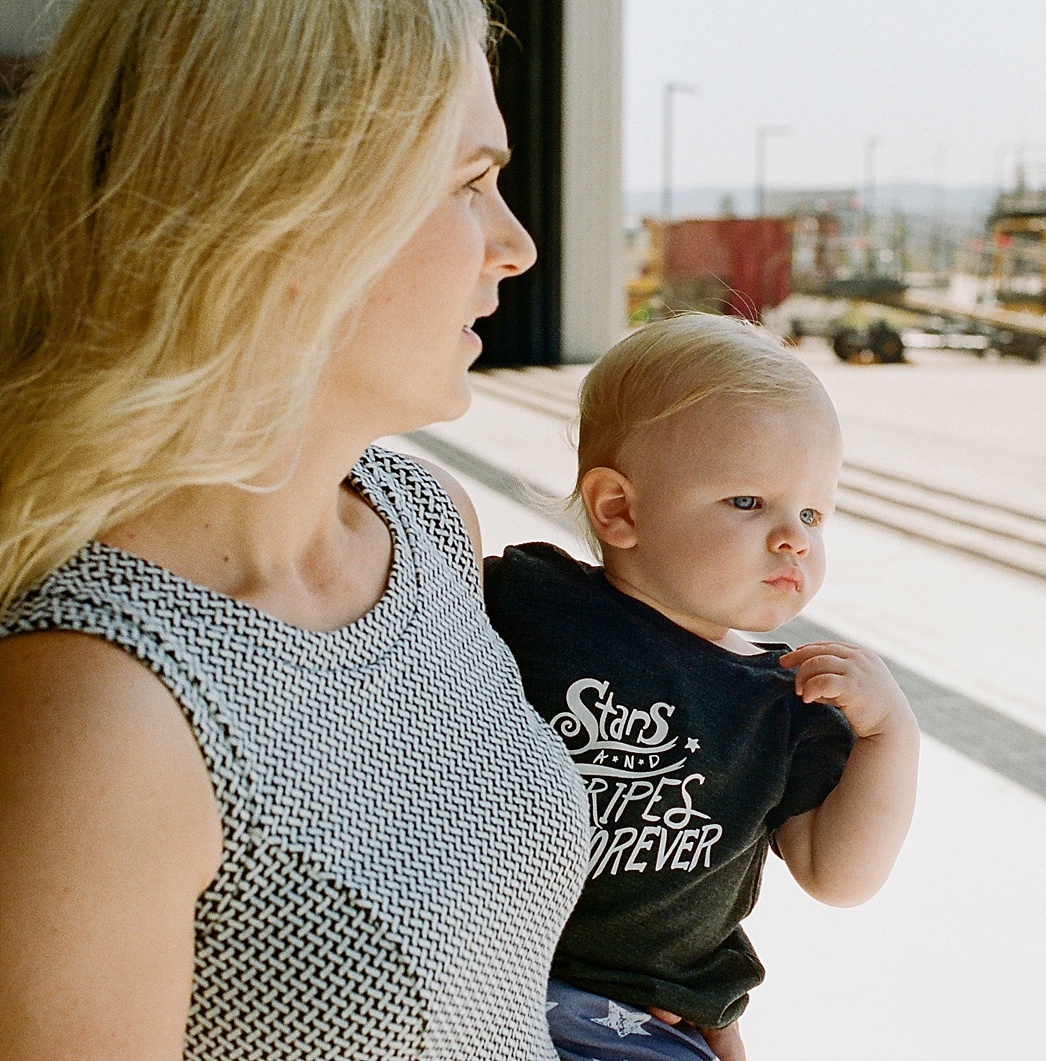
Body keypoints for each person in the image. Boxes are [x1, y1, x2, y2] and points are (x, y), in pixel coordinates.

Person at [0, 2, 593, 1058]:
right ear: (288, 218)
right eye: (469, 183)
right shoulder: (98, 710)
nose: (516, 244)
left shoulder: (426, 526)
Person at [484, 315, 922, 1061]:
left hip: (649, 1024)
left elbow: (839, 875)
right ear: (619, 509)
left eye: (814, 512)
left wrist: (891, 736)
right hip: (489, 981)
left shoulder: (785, 699)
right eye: (749, 502)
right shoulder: (529, 601)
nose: (796, 538)